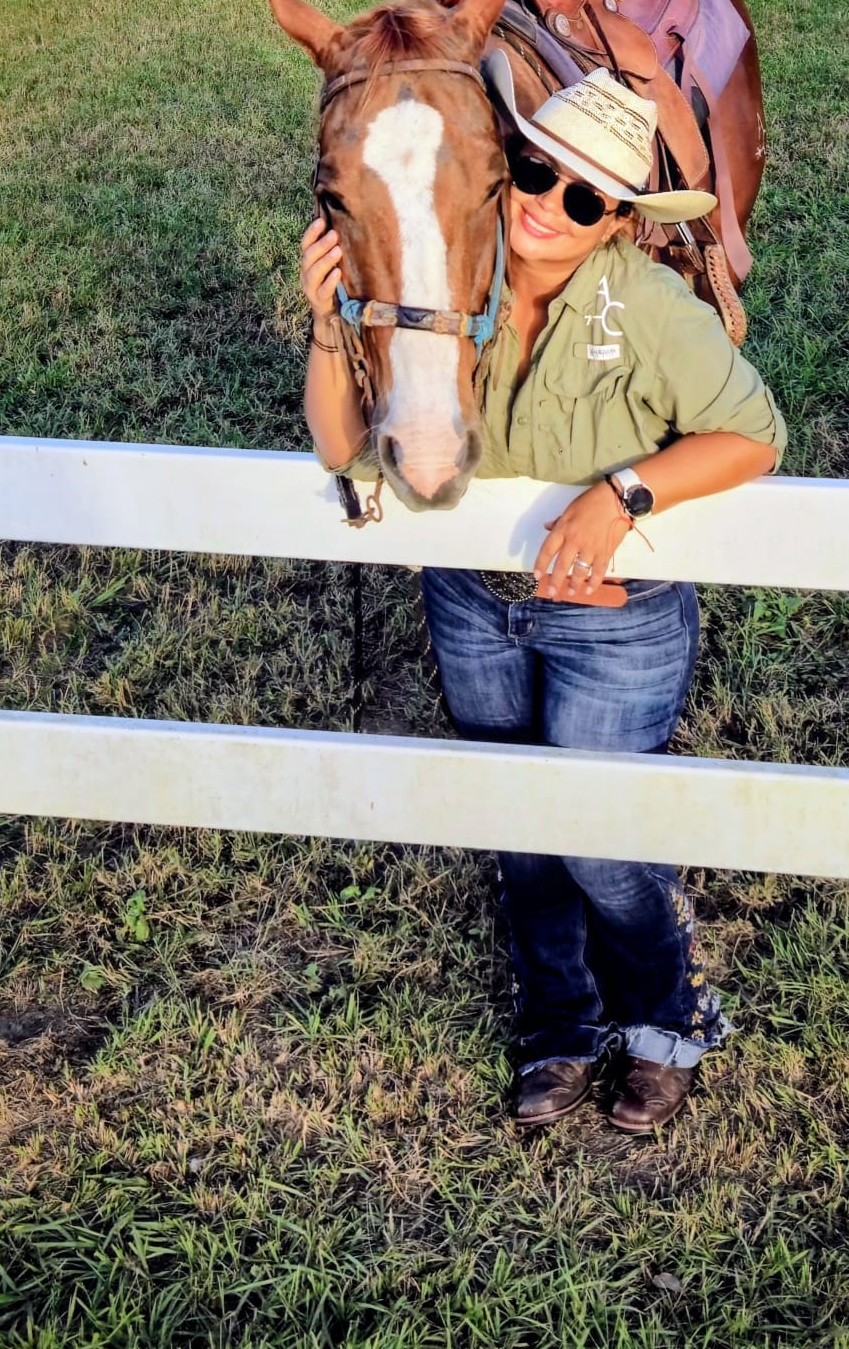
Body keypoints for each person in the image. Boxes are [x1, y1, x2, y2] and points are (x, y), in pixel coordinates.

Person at [300, 58, 784, 1133]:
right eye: (529, 170)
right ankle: (558, 1019)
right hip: (470, 596)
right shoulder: (447, 276)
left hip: (613, 618)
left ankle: (664, 1014)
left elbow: (752, 432)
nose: (545, 207)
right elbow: (346, 448)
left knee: (599, 839)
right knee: (518, 828)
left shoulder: (650, 308)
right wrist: (329, 318)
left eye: (583, 197)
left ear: (615, 217)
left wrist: (621, 496)